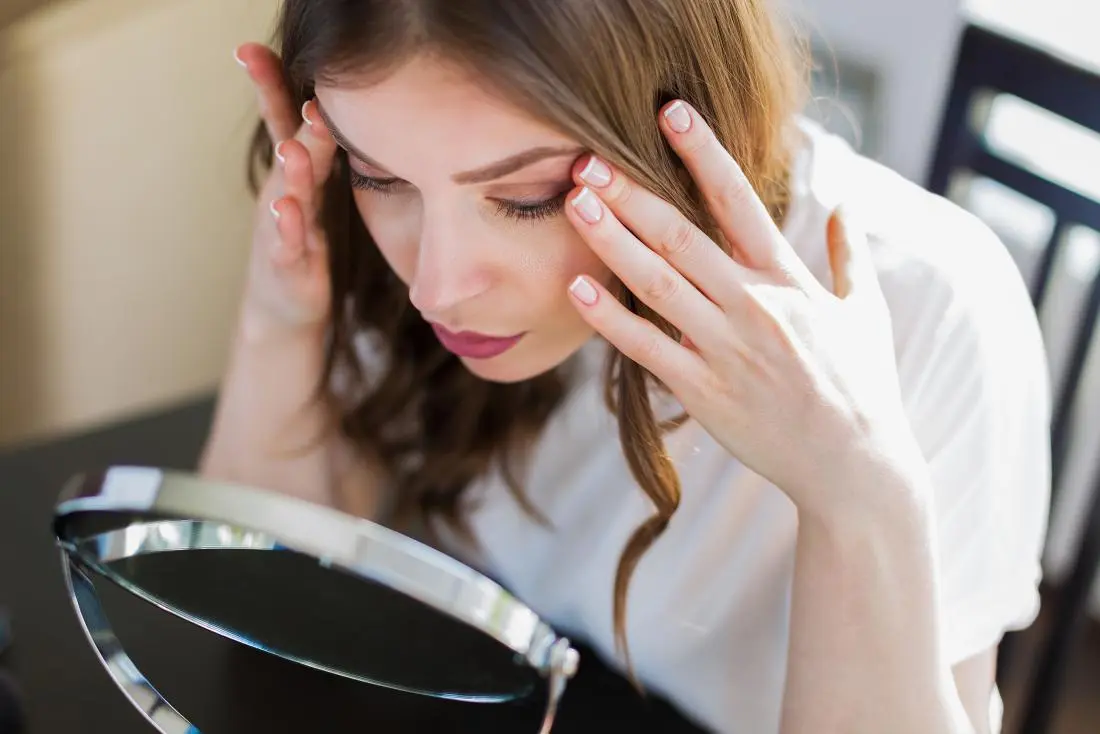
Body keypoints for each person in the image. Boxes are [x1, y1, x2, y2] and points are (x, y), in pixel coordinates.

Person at [203, 1, 1051, 731]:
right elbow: (252, 602)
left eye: (527, 196)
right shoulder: (393, 231)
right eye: (377, 176)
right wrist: (282, 320)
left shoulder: (931, 308)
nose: (435, 287)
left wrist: (857, 495)